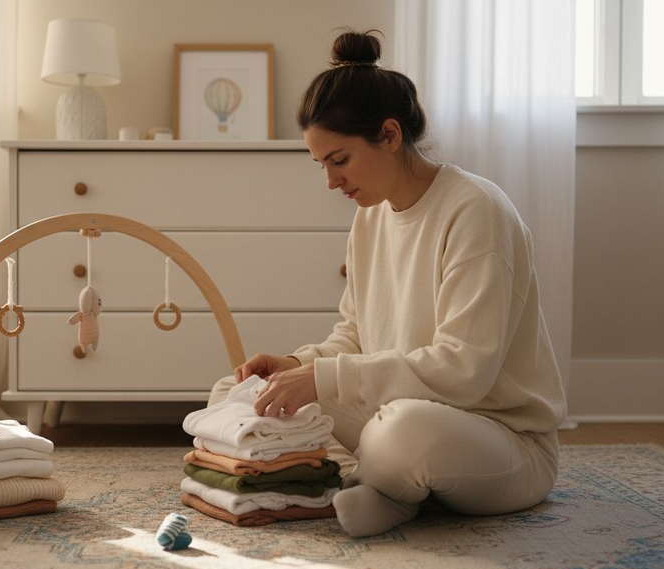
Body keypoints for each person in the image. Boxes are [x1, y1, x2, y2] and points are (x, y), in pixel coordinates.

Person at [209, 30, 566, 538]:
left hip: (500, 439)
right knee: (239, 391)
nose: (331, 182)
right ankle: (377, 488)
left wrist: (322, 379)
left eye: (340, 160)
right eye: (321, 165)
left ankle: (361, 480)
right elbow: (354, 335)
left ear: (391, 135)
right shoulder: (371, 216)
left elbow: (465, 372)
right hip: (392, 413)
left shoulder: (476, 211)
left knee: (403, 430)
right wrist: (297, 366)